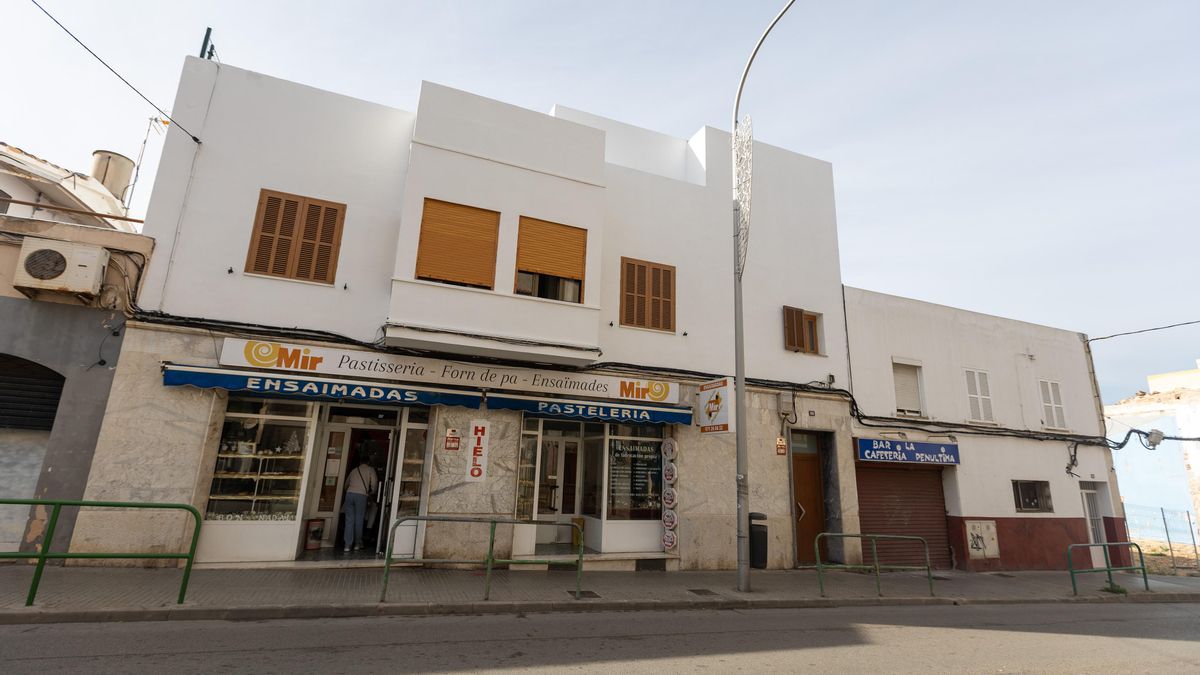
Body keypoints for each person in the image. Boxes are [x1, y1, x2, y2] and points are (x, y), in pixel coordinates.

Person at [342, 456, 378, 552]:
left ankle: (347, 545)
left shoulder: (354, 470)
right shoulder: (370, 469)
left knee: (349, 520)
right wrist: (372, 492)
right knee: (359, 520)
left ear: (360, 462)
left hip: (350, 494)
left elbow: (346, 484)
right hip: (361, 495)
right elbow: (374, 483)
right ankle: (357, 543)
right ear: (368, 462)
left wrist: (349, 490)